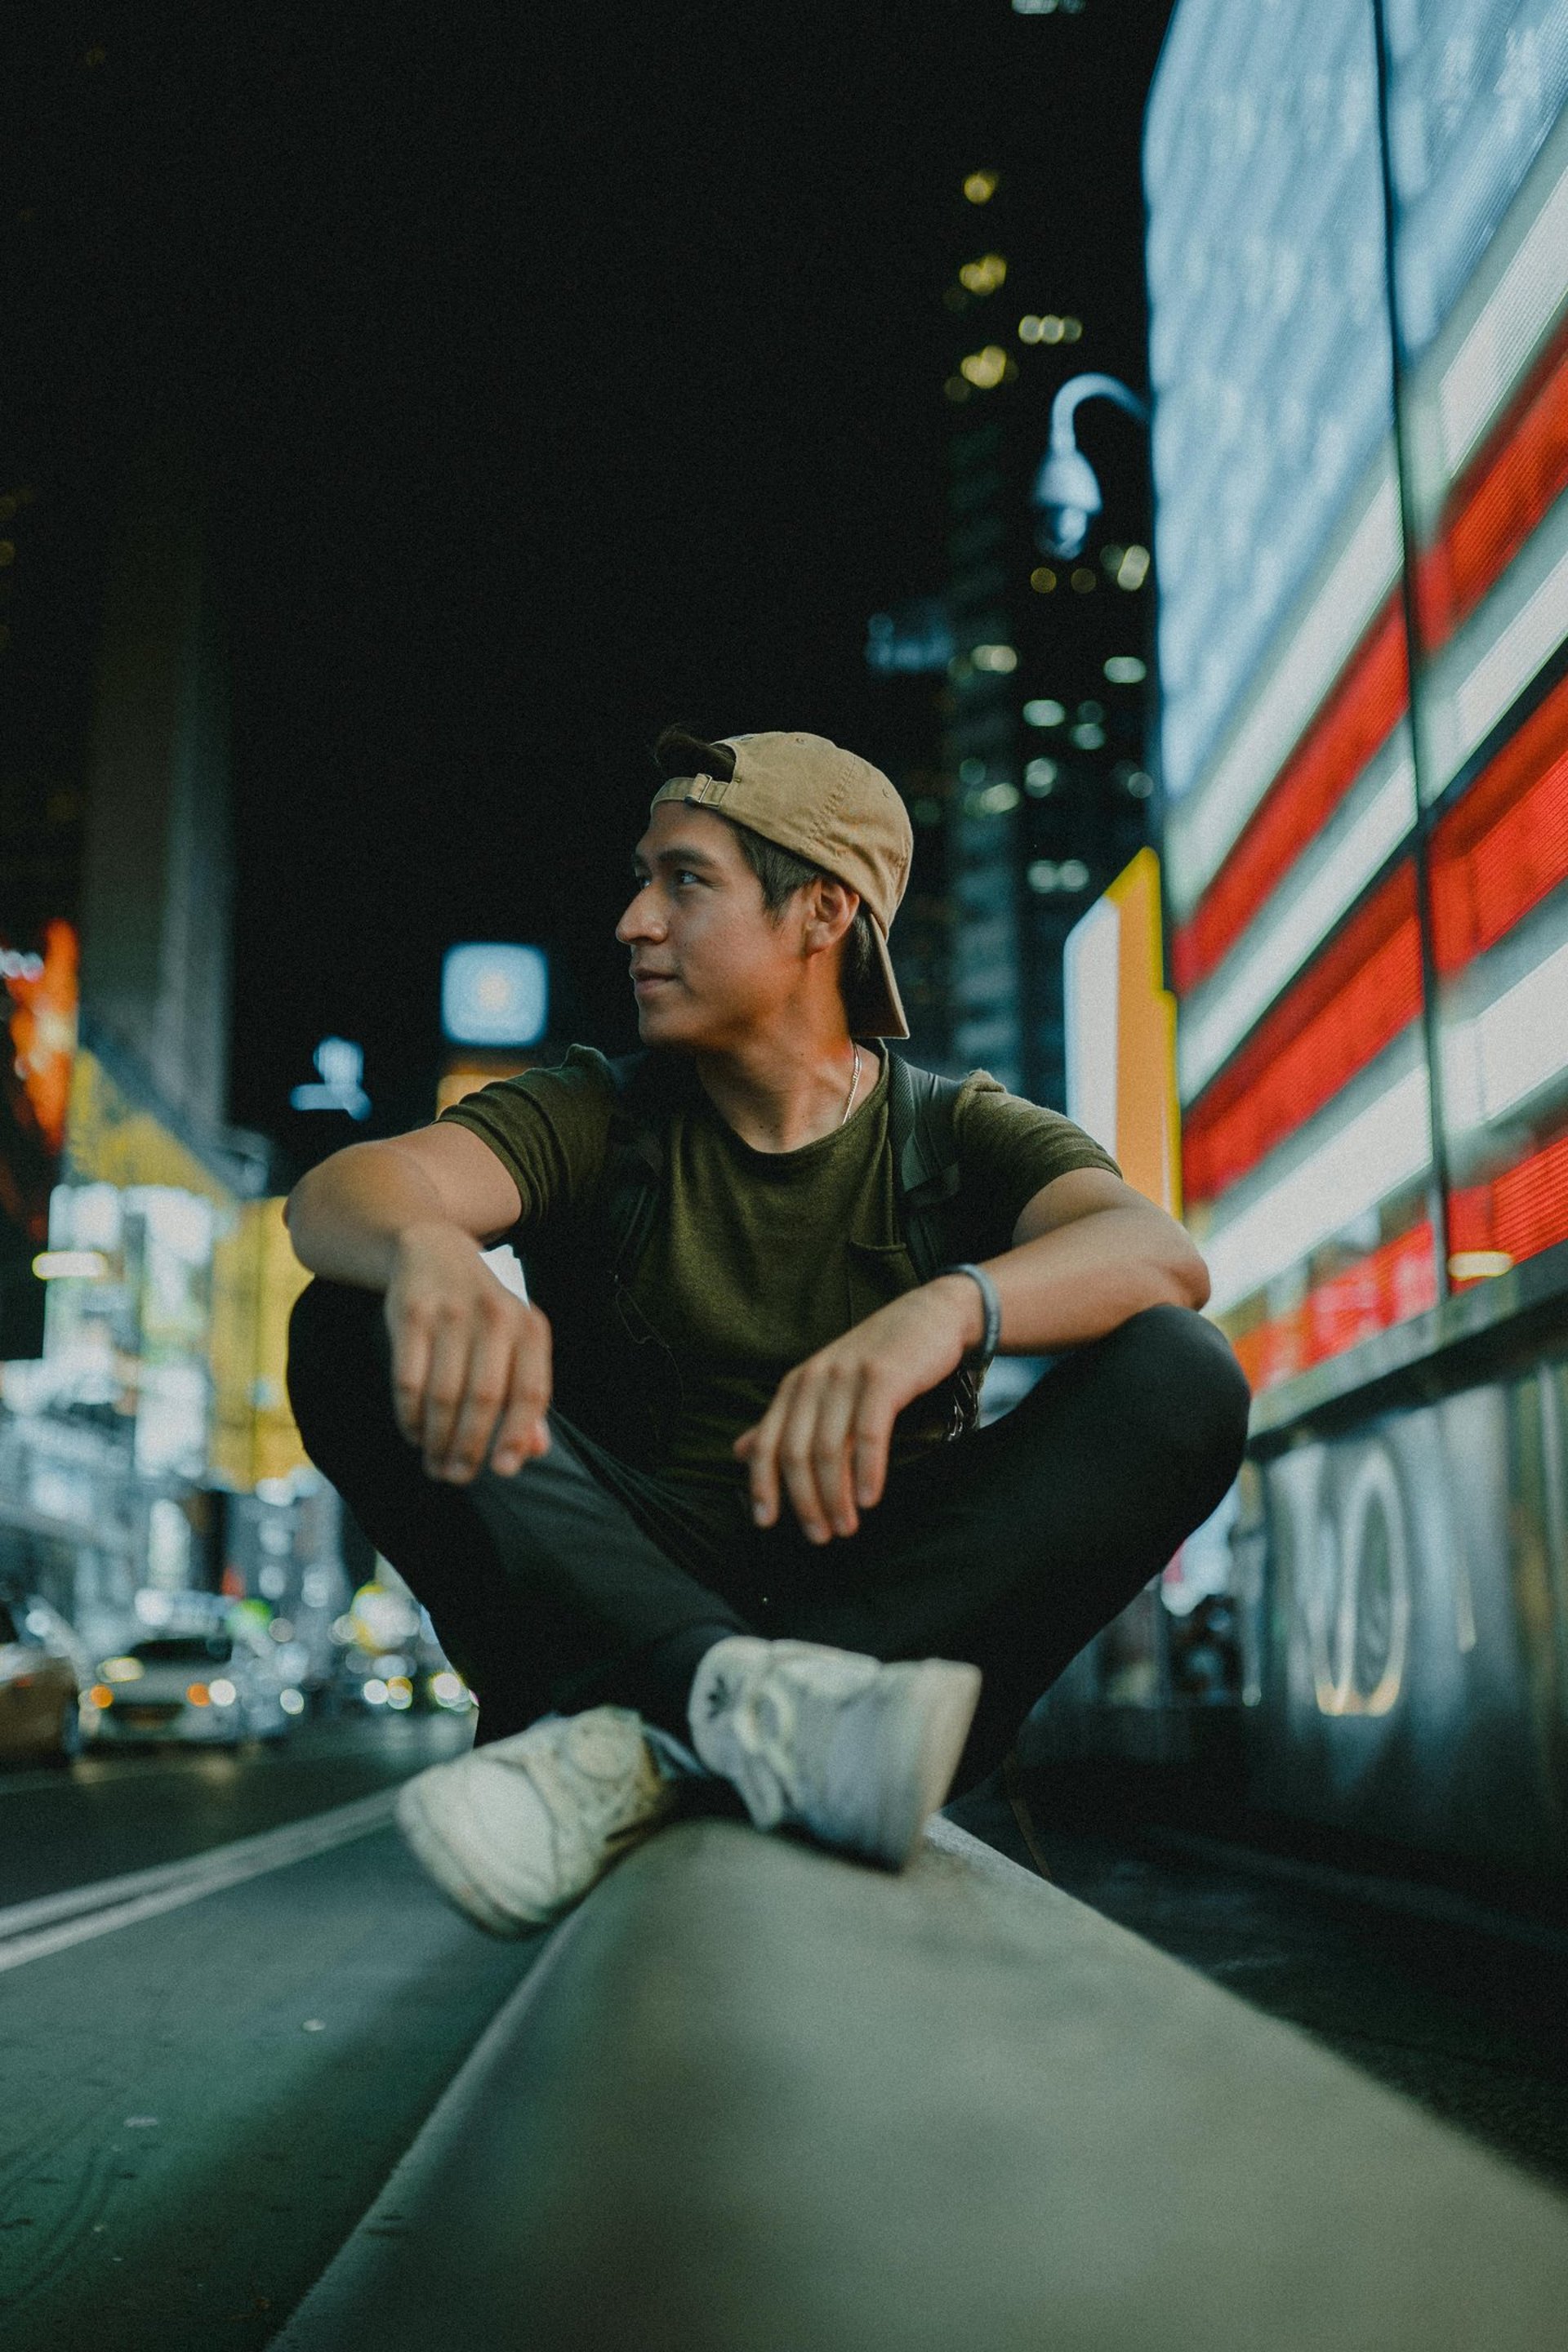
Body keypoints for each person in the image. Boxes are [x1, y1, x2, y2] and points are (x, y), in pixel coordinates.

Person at [285, 726, 1249, 1936]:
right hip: (612, 1597)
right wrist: (428, 1250)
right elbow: (339, 1195)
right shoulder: (597, 1113)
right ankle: (705, 1695)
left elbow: (1161, 1256)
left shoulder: (954, 1132)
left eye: (685, 882)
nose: (635, 922)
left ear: (822, 912)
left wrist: (948, 1309)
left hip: (880, 1628)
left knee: (1183, 1372)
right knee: (348, 1316)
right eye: (642, 881)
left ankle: (658, 1741)